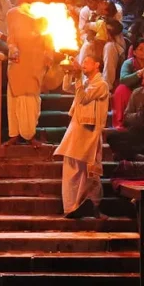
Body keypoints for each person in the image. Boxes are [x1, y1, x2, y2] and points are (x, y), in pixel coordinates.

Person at [54, 50, 109, 219]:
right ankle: (71, 207)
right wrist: (69, 72)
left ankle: (94, 208)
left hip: (90, 132)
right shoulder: (85, 82)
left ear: (97, 65)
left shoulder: (101, 85)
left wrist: (78, 77)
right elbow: (66, 87)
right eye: (83, 62)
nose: (84, 65)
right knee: (71, 169)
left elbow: (84, 98)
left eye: (87, 62)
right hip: (76, 129)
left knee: (90, 172)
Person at [6, 0, 51, 146]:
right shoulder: (12, 14)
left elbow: (49, 39)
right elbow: (10, 36)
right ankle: (15, 134)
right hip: (17, 62)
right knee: (15, 98)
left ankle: (30, 135)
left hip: (35, 63)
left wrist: (48, 55)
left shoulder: (43, 15)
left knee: (30, 100)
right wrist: (12, 48)